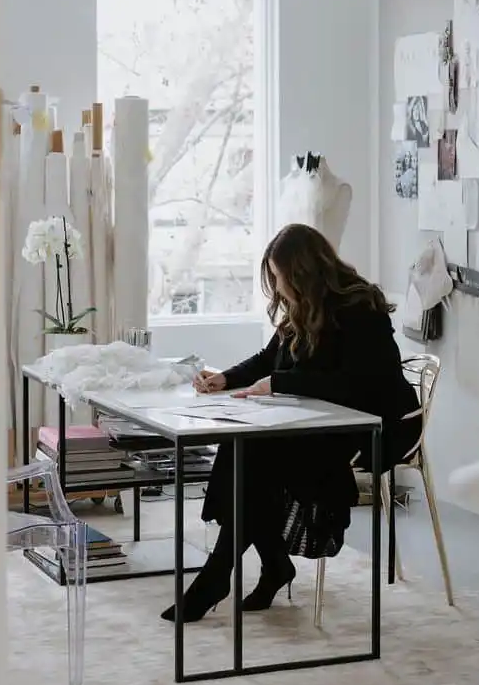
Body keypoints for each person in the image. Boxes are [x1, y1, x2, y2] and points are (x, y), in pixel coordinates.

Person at [160, 223, 421, 624]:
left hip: (370, 427)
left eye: (281, 279)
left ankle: (220, 575)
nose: (279, 290)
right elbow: (268, 360)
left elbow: (353, 386)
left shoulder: (361, 308)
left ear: (302, 274)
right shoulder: (304, 306)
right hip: (318, 420)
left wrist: (278, 382)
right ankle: (267, 566)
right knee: (243, 444)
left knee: (257, 456)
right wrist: (226, 379)